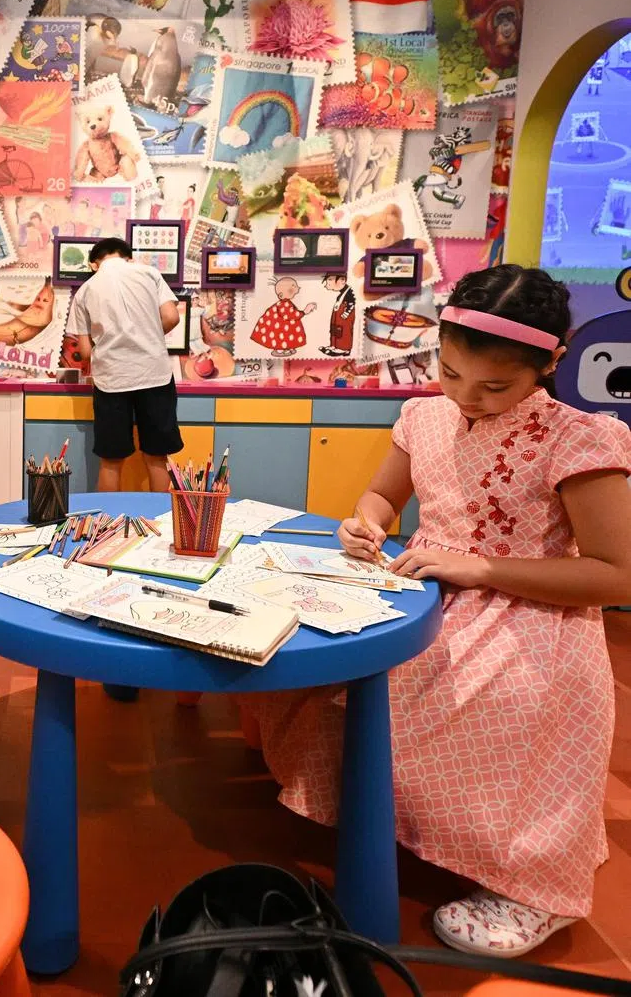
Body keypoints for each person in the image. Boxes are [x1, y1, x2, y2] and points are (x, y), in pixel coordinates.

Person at [248, 266, 631, 957]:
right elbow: (379, 500)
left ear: (552, 361)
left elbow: (614, 574)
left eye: (497, 387)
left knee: (476, 701)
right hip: (420, 586)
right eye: (451, 374)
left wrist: (477, 567)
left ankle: (532, 883)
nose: (468, 399)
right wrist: (362, 524)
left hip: (530, 615)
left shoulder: (581, 437)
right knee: (308, 666)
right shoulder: (424, 415)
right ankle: (392, 821)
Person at [68, 237, 182, 493]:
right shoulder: (150, 273)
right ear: (127, 257)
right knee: (157, 457)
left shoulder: (87, 289)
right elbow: (172, 316)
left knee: (110, 461)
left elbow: (85, 352)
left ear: (94, 264)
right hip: (155, 375)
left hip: (111, 379)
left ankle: (108, 526)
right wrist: (148, 333)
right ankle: (161, 523)